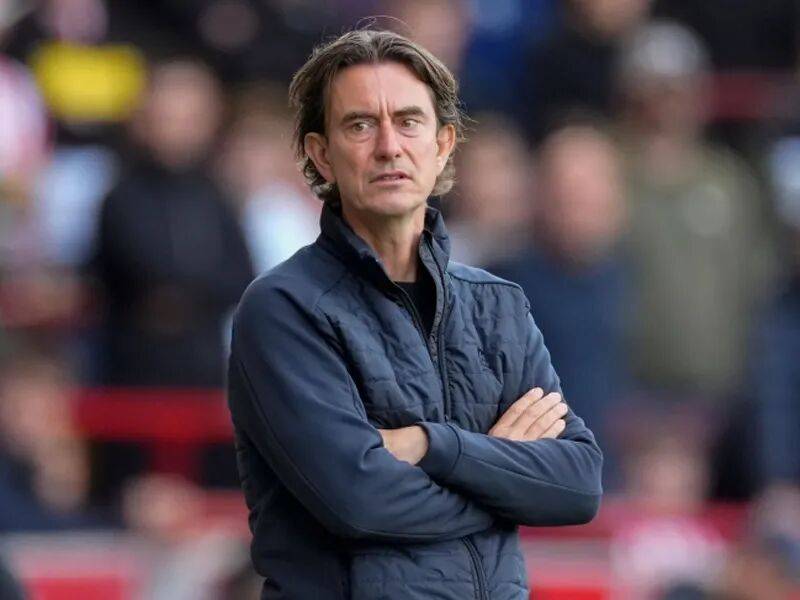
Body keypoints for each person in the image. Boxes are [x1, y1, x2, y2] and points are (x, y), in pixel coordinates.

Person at [227, 29, 603, 599]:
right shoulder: (283, 308)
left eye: (408, 122)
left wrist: (433, 446)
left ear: (444, 144)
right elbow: (358, 501)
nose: (389, 146)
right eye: (360, 125)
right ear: (321, 154)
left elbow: (577, 485)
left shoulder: (498, 303)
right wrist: (504, 478)